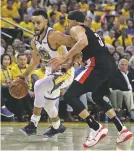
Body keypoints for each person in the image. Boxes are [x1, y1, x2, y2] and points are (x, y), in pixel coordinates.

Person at [50, 10, 133, 147]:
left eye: (68, 21)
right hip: (110, 67)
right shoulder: (91, 31)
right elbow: (80, 50)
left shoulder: (76, 28)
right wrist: (69, 62)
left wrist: (64, 57)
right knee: (98, 96)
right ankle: (122, 129)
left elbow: (82, 42)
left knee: (70, 96)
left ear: (74, 21)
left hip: (97, 65)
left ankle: (96, 128)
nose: (68, 24)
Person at [19, 9, 75, 137]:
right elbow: (34, 62)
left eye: (38, 22)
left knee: (39, 85)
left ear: (46, 22)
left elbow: (75, 42)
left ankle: (33, 124)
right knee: (48, 104)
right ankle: (57, 126)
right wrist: (24, 75)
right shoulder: (34, 42)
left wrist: (69, 59)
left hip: (64, 70)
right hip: (51, 71)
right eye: (33, 23)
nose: (35, 26)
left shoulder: (53, 35)